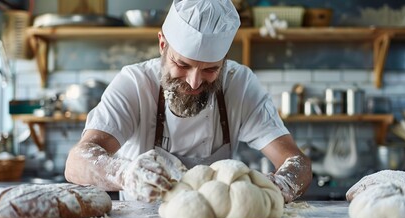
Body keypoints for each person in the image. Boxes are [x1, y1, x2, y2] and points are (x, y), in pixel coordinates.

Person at [65, 0, 312, 203]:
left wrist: (280, 185)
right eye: (182, 64)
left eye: (210, 70)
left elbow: (297, 162)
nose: (194, 82)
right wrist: (124, 174)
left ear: (224, 60)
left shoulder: (240, 84)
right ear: (162, 45)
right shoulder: (135, 83)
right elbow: (77, 162)